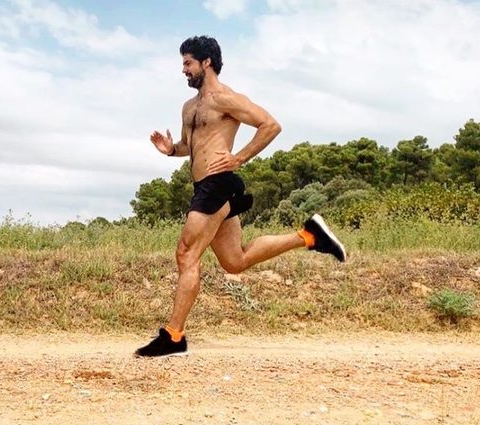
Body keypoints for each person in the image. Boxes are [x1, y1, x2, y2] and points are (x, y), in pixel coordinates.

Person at [135, 35, 346, 358]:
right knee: (235, 261)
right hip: (203, 185)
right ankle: (308, 235)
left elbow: (270, 125)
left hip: (217, 184)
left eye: (188, 63)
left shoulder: (225, 98)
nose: (183, 70)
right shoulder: (190, 107)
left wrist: (240, 157)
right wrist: (171, 150)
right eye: (183, 63)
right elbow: (192, 146)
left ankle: (174, 337)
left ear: (207, 63)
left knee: (186, 255)